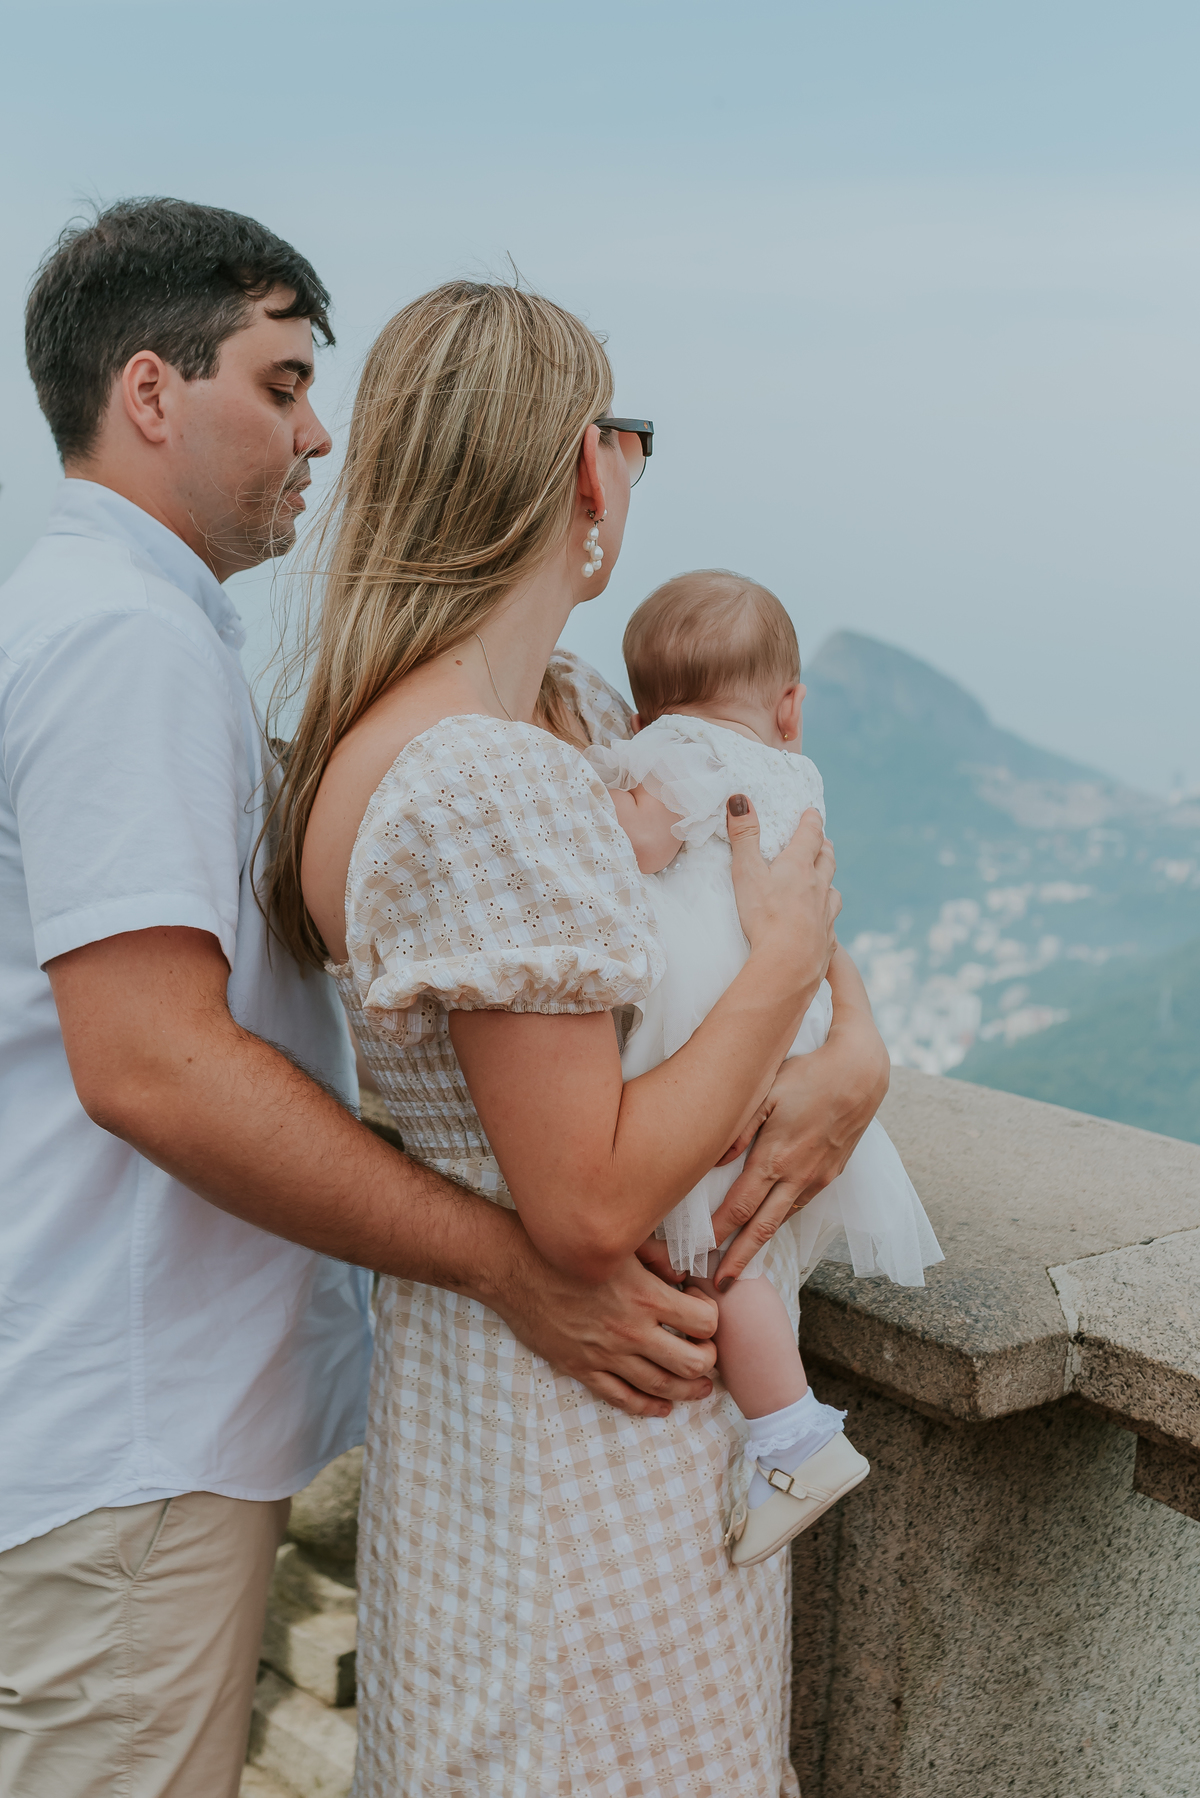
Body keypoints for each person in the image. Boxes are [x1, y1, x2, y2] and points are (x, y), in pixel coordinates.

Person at [0, 201, 727, 1798]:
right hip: (127, 1430)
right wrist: (506, 1265)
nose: (314, 433)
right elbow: (154, 1067)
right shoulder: (124, 643)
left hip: (134, 1416)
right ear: (148, 393)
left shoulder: (141, 633)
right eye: (279, 384)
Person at [277, 279, 889, 1796]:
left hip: (499, 1420)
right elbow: (591, 1195)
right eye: (630, 437)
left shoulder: (500, 728)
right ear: (581, 473)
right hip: (590, 1446)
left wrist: (847, 1050)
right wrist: (797, 980)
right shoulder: (485, 774)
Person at [589, 569, 944, 1568]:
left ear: (642, 701)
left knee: (713, 1242)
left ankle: (792, 1436)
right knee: (750, 1231)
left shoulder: (671, 750)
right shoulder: (800, 776)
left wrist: (592, 791)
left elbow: (636, 839)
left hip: (711, 1023)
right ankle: (783, 1425)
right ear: (790, 704)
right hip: (794, 1023)